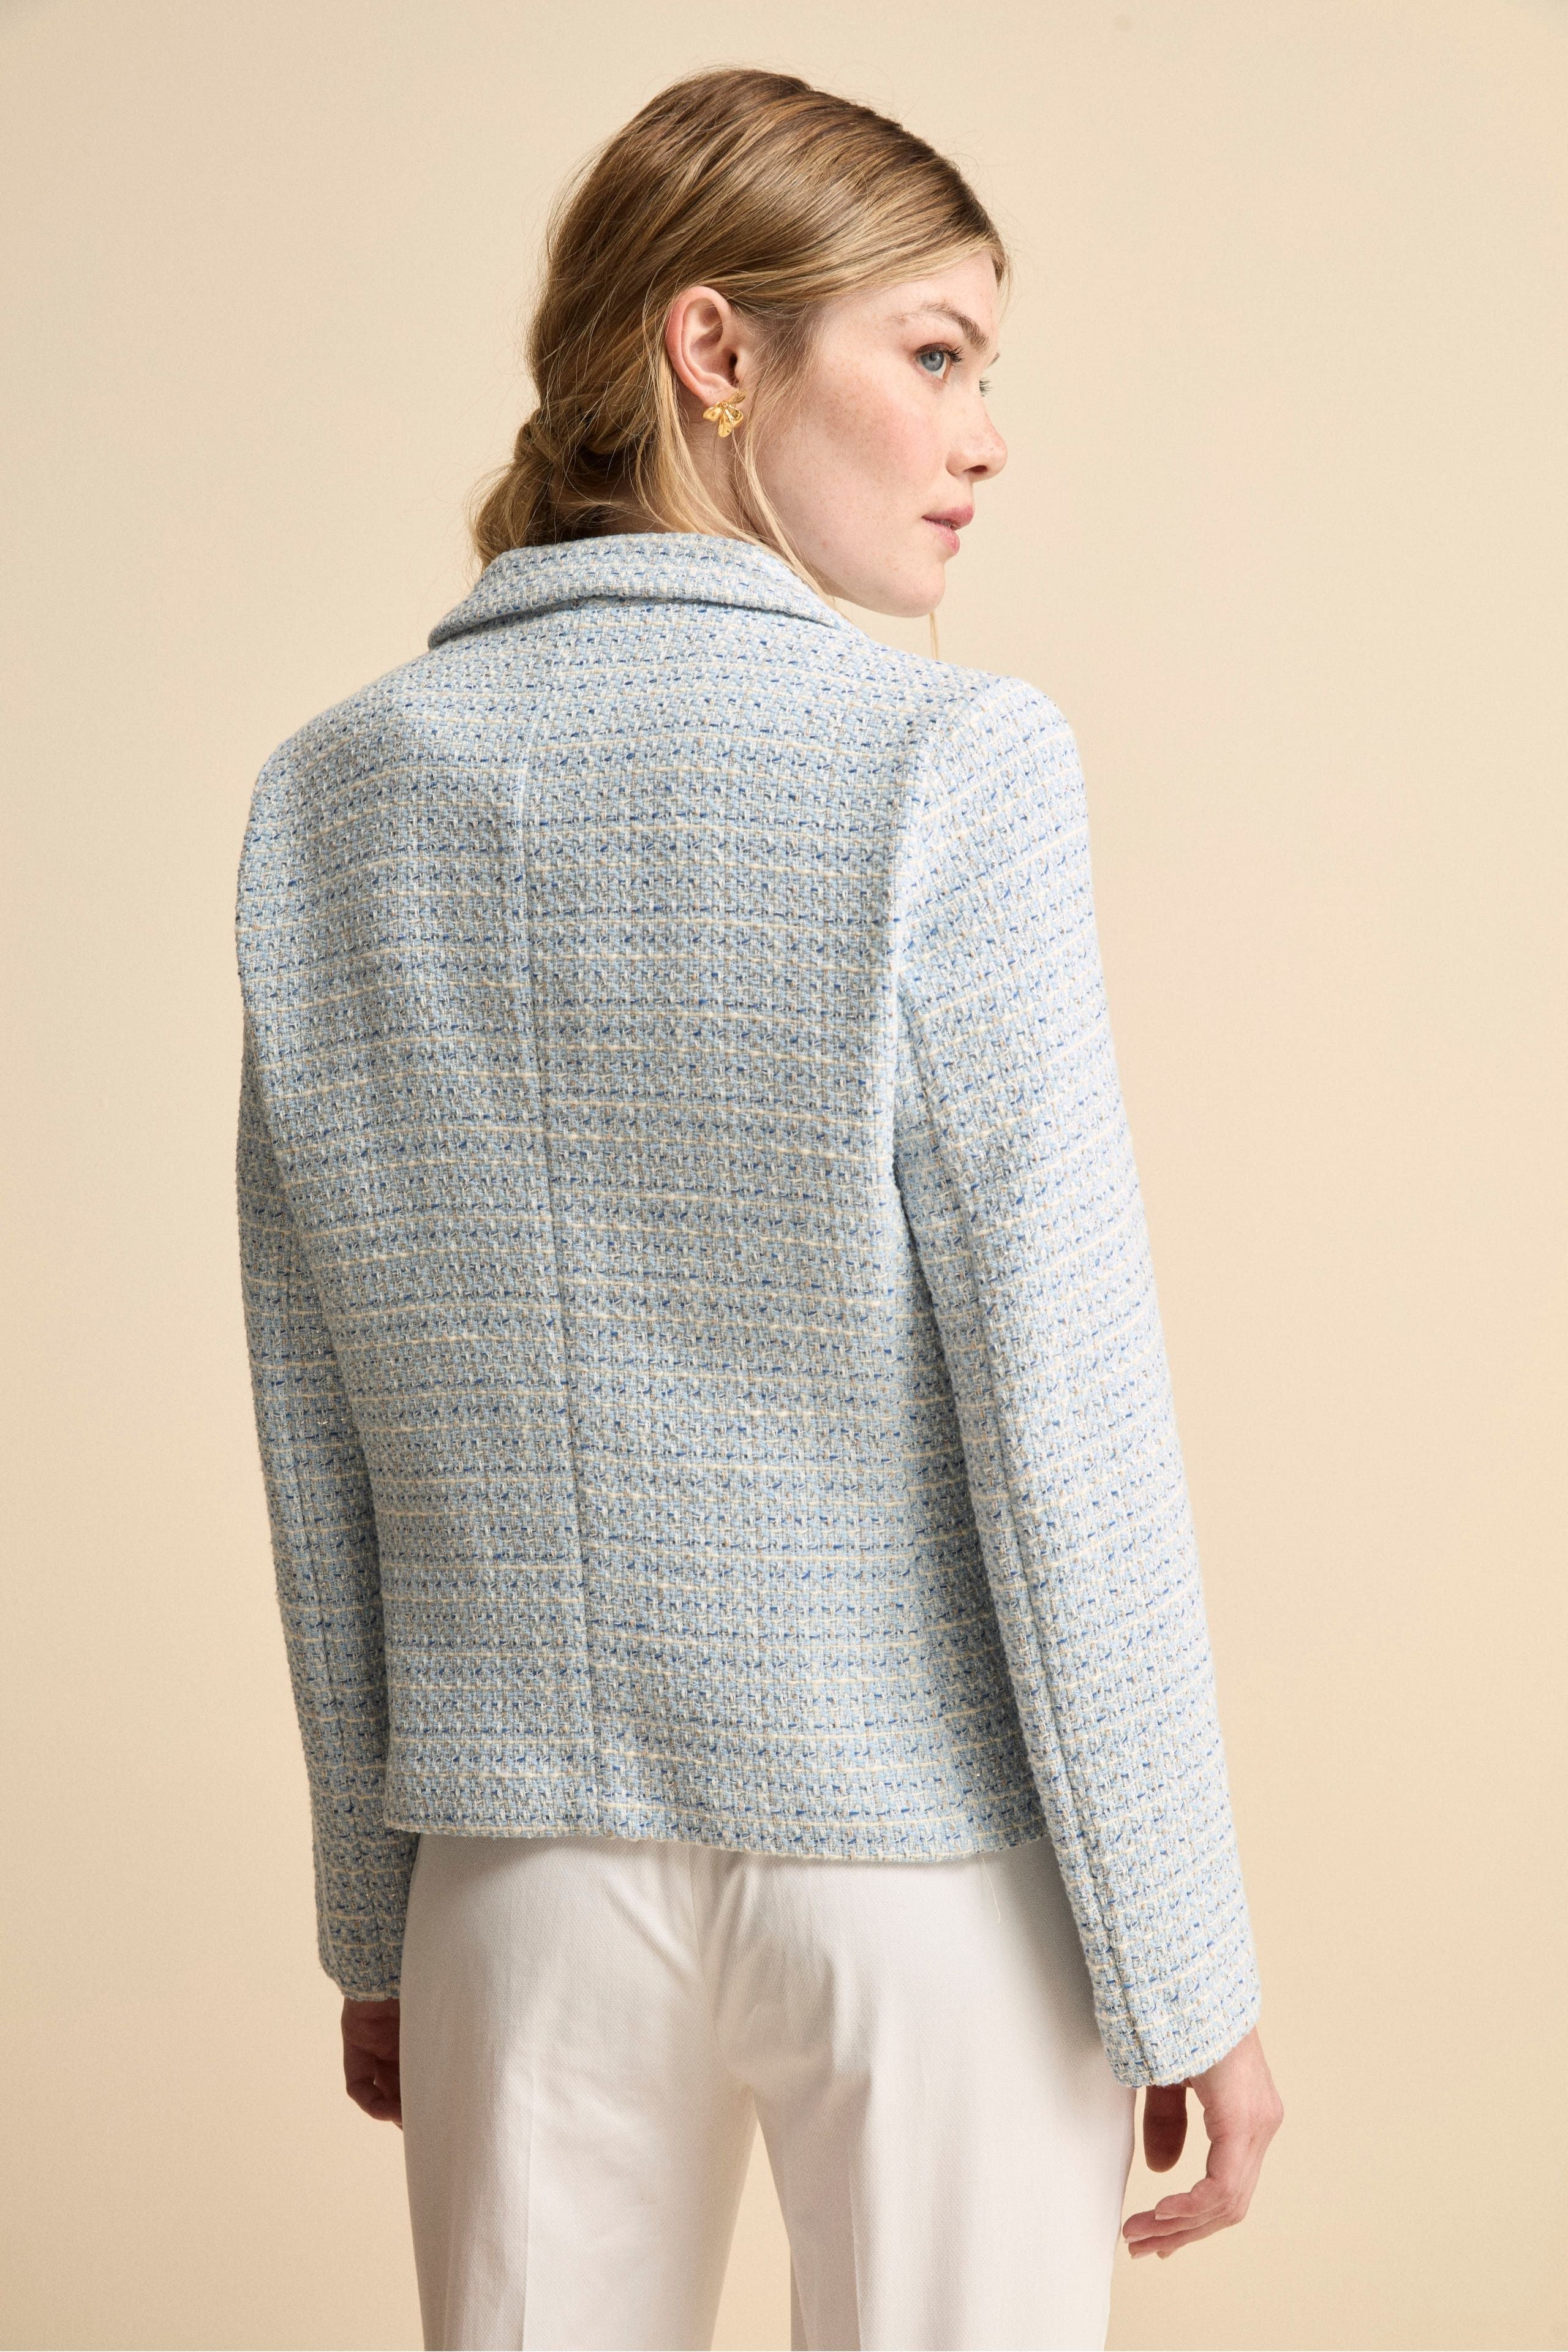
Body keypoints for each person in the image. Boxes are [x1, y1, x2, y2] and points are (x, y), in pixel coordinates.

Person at [235, 64, 1282, 2352]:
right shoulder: (947, 765)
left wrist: (374, 1916)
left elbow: (318, 1425)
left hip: (510, 1875)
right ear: (713, 347)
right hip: (922, 1875)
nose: (984, 435)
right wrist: (1183, 1960)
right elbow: (1065, 1418)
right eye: (937, 353)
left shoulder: (326, 797)